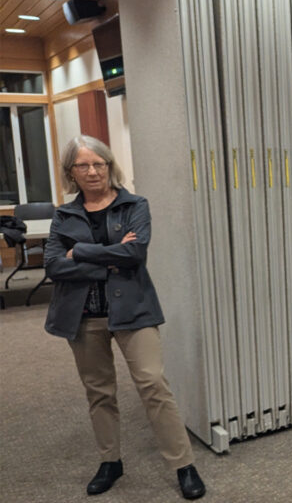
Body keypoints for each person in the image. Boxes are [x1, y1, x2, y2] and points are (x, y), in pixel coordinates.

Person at [43, 135, 206, 500]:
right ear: (71, 172)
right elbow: (53, 266)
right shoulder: (63, 214)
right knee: (99, 391)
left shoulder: (135, 205)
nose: (92, 171)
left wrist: (80, 253)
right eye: (83, 165)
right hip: (83, 315)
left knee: (153, 385)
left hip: (134, 310)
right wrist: (108, 256)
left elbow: (134, 254)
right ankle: (110, 461)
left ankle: (183, 465)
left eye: (99, 163)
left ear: (109, 165)